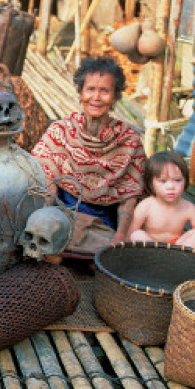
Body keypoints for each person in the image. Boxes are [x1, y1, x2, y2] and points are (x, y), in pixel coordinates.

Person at [31, 55, 146, 256]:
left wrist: (120, 237)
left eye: (105, 91)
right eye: (90, 89)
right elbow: (45, 179)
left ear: (115, 96)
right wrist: (42, 218)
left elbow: (129, 196)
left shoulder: (129, 140)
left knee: (100, 263)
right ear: (81, 92)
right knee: (51, 256)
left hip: (103, 221)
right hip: (62, 210)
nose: (96, 97)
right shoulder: (61, 131)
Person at [129, 151, 195, 251]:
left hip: (177, 250)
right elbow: (129, 233)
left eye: (177, 180)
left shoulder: (188, 208)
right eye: (163, 181)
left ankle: (176, 261)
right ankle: (160, 261)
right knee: (136, 234)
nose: (171, 187)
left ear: (185, 181)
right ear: (151, 183)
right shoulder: (146, 206)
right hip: (151, 250)